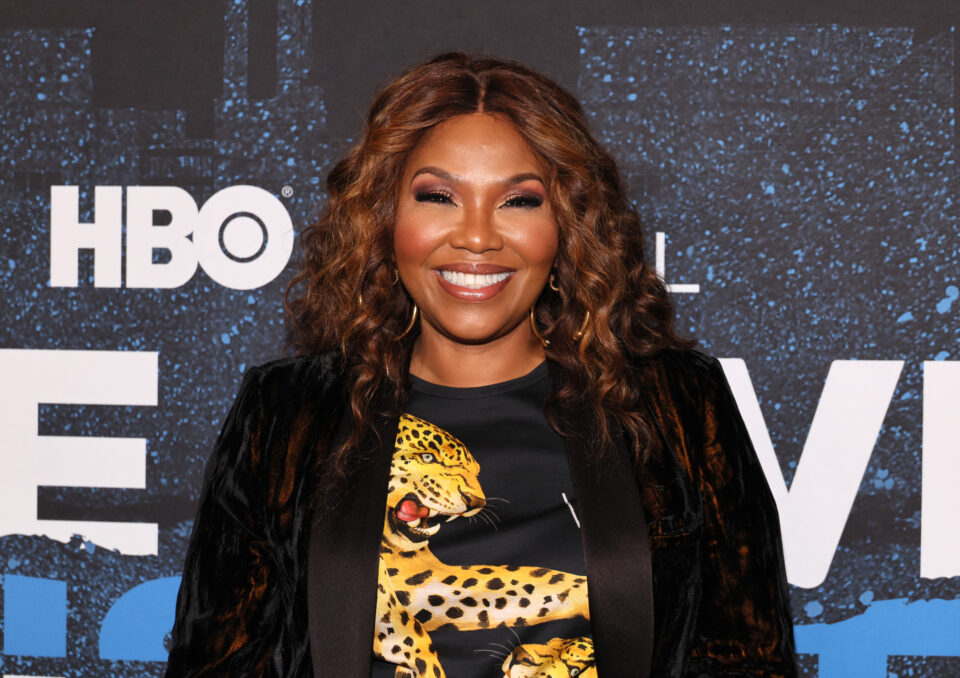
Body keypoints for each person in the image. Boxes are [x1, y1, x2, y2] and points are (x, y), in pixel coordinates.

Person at [164, 52, 797, 678]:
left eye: (517, 201)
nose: (476, 236)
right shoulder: (287, 414)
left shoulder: (678, 405)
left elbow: (748, 661)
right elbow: (217, 664)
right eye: (439, 196)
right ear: (385, 219)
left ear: (566, 225)